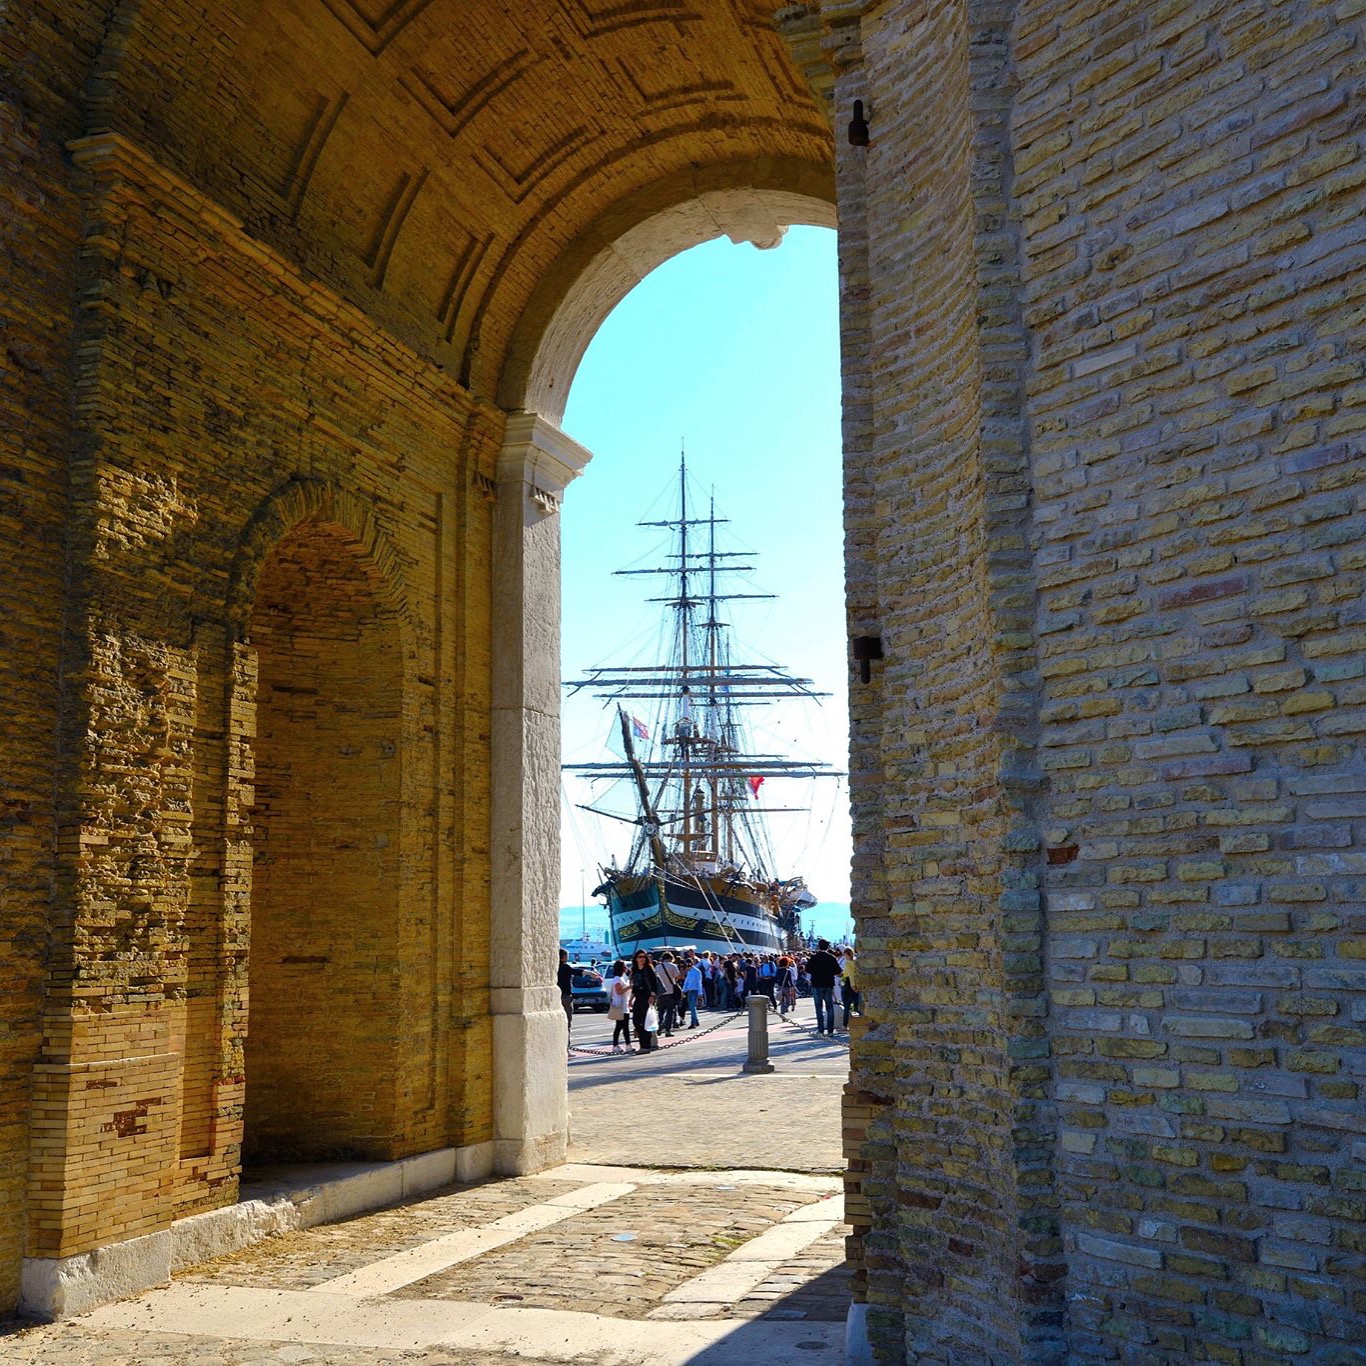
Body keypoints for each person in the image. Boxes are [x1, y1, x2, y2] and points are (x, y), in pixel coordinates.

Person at [629, 949, 662, 1052]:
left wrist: (652, 996)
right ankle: (643, 1044)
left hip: (647, 998)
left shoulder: (648, 969)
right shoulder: (635, 970)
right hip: (638, 998)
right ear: (636, 958)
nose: (642, 959)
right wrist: (630, 999)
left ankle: (645, 1046)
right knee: (636, 1021)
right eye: (640, 957)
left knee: (645, 1022)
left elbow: (654, 984)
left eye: (644, 957)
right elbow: (634, 987)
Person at [807, 938, 841, 1036]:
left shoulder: (814, 957)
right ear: (827, 947)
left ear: (818, 946)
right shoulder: (831, 958)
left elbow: (807, 969)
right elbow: (838, 971)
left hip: (816, 984)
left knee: (819, 1008)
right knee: (829, 1007)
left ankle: (820, 1030)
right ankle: (830, 1030)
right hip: (828, 984)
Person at [606, 958, 633, 1053]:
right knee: (620, 1026)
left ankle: (627, 1045)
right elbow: (619, 991)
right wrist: (629, 987)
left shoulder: (621, 978)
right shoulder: (617, 979)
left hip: (624, 1005)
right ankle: (616, 1045)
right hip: (620, 1006)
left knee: (624, 1027)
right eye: (624, 966)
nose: (626, 968)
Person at [655, 950, 681, 1037]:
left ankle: (660, 1022)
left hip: (660, 992)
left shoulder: (657, 967)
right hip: (670, 991)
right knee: (670, 1011)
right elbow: (677, 976)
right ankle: (667, 1030)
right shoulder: (673, 966)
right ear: (670, 958)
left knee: (661, 1010)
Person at [557, 949, 574, 1041]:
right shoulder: (565, 967)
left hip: (557, 996)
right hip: (566, 996)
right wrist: (589, 973)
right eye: (566, 956)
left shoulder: (555, 967)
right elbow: (575, 971)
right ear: (562, 958)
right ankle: (566, 1044)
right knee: (567, 1021)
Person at [842, 946, 861, 1027]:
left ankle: (845, 1024)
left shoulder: (848, 963)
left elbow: (851, 975)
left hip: (848, 984)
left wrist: (853, 986)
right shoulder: (856, 962)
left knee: (846, 1006)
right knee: (858, 1004)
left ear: (848, 954)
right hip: (856, 983)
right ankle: (862, 1023)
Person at [682, 957, 703, 1027]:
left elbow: (699, 982)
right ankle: (696, 1020)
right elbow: (687, 981)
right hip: (689, 990)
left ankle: (693, 1022)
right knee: (691, 1007)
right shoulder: (689, 972)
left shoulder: (697, 971)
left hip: (695, 990)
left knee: (692, 1006)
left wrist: (700, 993)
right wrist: (684, 990)